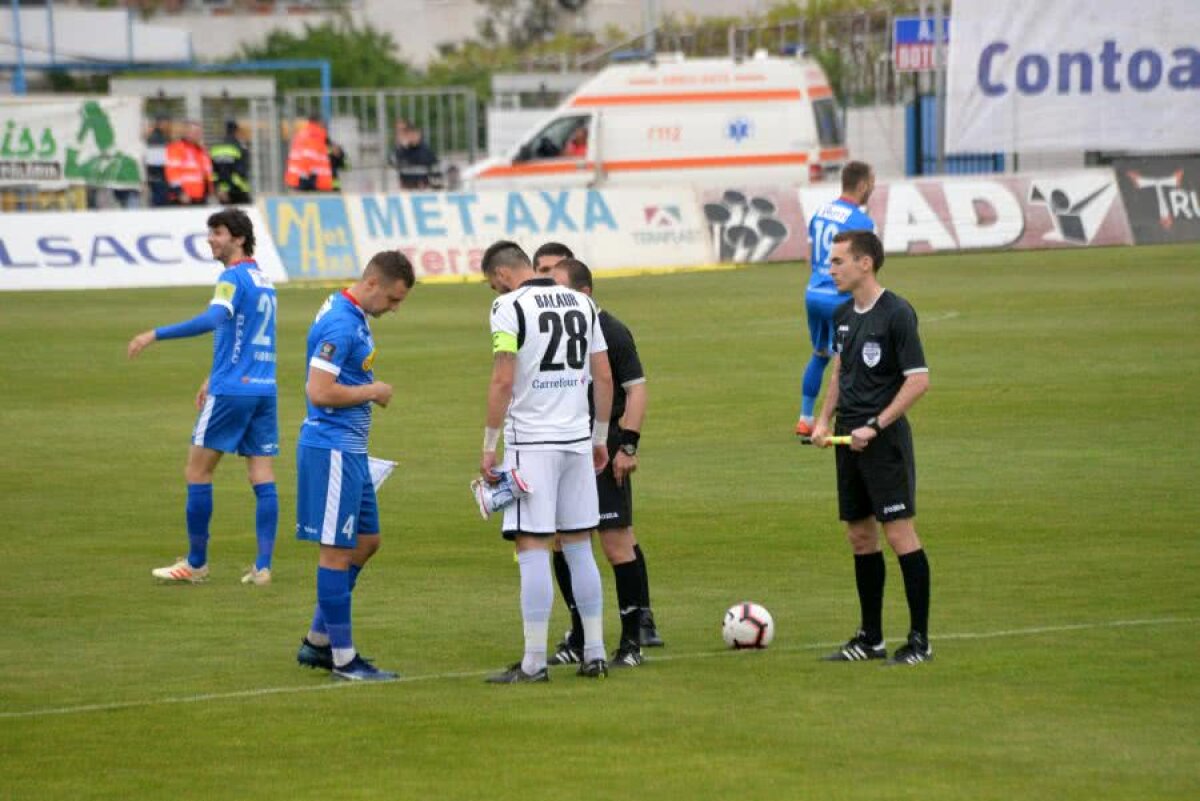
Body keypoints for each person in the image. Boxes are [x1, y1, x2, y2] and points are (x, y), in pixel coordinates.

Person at [479, 240, 614, 684]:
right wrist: (599, 437)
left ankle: (534, 661)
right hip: (576, 440)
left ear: (501, 275)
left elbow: (503, 378)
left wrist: (489, 444)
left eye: (492, 283)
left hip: (532, 442)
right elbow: (603, 375)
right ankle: (595, 652)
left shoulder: (508, 307)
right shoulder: (583, 303)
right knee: (579, 545)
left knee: (532, 546)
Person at [127, 209, 279, 586]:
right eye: (210, 232)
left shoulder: (231, 278)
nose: (211, 239)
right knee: (261, 473)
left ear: (238, 238)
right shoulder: (263, 279)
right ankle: (262, 567)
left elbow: (214, 319)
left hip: (234, 391)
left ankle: (196, 564)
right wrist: (213, 375)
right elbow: (245, 334)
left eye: (218, 232)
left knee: (198, 471)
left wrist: (154, 334)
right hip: (263, 388)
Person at [531, 242, 664, 668]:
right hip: (567, 448)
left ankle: (633, 640)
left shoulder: (612, 330)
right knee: (563, 542)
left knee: (616, 543)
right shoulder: (555, 328)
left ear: (584, 293)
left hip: (603, 451)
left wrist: (628, 445)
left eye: (559, 285)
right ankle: (580, 635)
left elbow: (636, 390)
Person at [811, 230, 933, 666]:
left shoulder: (897, 313)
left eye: (838, 261)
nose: (831, 269)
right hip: (848, 439)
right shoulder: (843, 314)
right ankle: (871, 638)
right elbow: (840, 372)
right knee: (860, 536)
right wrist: (824, 420)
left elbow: (918, 381)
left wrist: (876, 426)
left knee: (898, 533)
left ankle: (919, 641)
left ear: (865, 263)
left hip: (884, 441)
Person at [294, 251, 415, 682]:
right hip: (331, 448)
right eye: (393, 299)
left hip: (350, 451)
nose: (394, 309)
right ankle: (344, 660)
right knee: (336, 551)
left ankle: (318, 640)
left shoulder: (349, 310)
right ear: (372, 283)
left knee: (366, 541)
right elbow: (319, 391)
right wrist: (372, 391)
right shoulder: (341, 324)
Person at [796, 161, 876, 438]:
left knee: (820, 355)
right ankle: (846, 418)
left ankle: (805, 418)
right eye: (872, 184)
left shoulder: (819, 213)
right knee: (848, 359)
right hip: (838, 299)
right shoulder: (861, 222)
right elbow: (865, 265)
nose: (872, 189)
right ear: (862, 185)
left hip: (813, 293)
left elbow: (809, 258)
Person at [164, 121, 212, 206]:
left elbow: (206, 173)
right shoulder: (176, 148)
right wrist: (179, 192)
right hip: (183, 198)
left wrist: (209, 191)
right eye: (194, 132)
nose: (197, 135)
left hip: (200, 197)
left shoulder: (201, 151)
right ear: (186, 133)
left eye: (198, 133)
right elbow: (172, 173)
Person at [285, 115, 334, 192]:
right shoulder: (319, 133)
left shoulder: (300, 134)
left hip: (298, 173)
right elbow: (330, 149)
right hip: (311, 173)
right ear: (318, 122)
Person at [211, 119, 252, 205]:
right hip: (239, 191)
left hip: (222, 193)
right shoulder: (240, 148)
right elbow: (241, 172)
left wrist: (219, 189)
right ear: (236, 131)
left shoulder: (215, 149)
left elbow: (213, 173)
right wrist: (231, 188)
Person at [390, 126, 441, 190]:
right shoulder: (402, 150)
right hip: (406, 186)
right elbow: (393, 161)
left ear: (419, 135)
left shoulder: (426, 150)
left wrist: (436, 184)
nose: (413, 137)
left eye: (415, 134)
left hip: (423, 186)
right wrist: (403, 148)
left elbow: (434, 165)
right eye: (411, 135)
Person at [145, 115, 172, 208]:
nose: (167, 125)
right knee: (159, 205)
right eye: (165, 122)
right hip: (159, 177)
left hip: (160, 177)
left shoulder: (164, 137)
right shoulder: (156, 138)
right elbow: (155, 162)